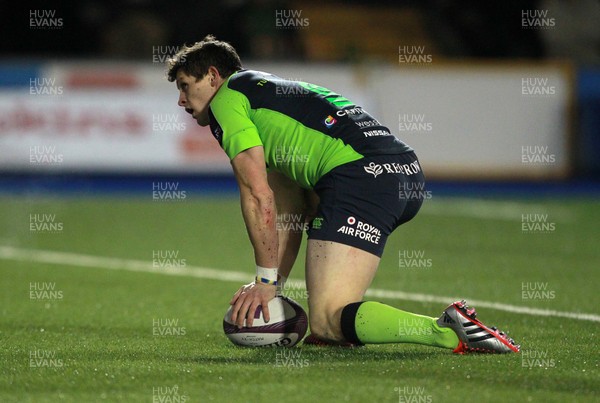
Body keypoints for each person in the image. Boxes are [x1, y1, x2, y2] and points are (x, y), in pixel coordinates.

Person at [166, 35, 520, 354]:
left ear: (213, 76)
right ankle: (341, 328)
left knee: (327, 320)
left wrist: (263, 281)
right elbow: (291, 209)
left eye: (185, 86)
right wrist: (274, 285)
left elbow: (259, 197)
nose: (181, 100)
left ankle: (447, 332)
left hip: (361, 178)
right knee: (331, 327)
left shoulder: (227, 101)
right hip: (403, 172)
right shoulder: (268, 97)